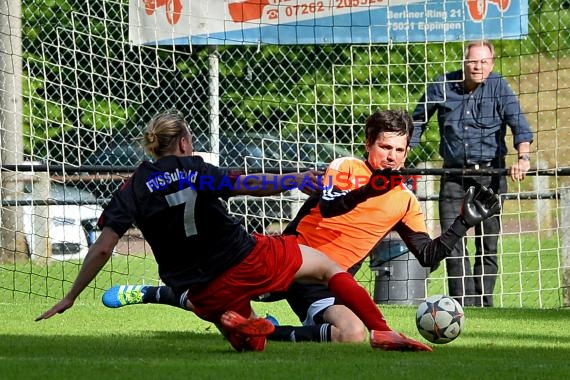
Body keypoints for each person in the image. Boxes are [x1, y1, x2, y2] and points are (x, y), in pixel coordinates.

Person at [35, 109, 434, 353]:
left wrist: (71, 296)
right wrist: (297, 178)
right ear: (186, 141)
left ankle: (233, 320)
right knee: (328, 267)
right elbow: (247, 184)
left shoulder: (133, 187)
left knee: (254, 343)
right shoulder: (195, 169)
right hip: (245, 260)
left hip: (202, 290)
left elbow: (103, 247)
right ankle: (382, 332)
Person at [100, 109, 501, 343]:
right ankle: (154, 292)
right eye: (385, 147)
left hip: (321, 282)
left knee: (351, 334)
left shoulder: (406, 201)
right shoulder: (346, 168)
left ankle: (270, 332)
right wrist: (370, 190)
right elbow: (331, 208)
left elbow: (428, 256)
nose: (392, 157)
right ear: (368, 143)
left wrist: (463, 223)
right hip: (292, 259)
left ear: (407, 151)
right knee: (215, 295)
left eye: (399, 150)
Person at [411, 40, 534, 307]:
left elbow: (520, 126)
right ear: (464, 62)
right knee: (452, 241)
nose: (478, 67)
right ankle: (461, 303)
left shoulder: (500, 87)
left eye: (484, 62)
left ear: (491, 64)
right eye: (473, 61)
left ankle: (483, 303)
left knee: (487, 244)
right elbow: (417, 121)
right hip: (454, 176)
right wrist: (402, 153)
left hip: (491, 176)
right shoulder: (441, 86)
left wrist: (523, 158)